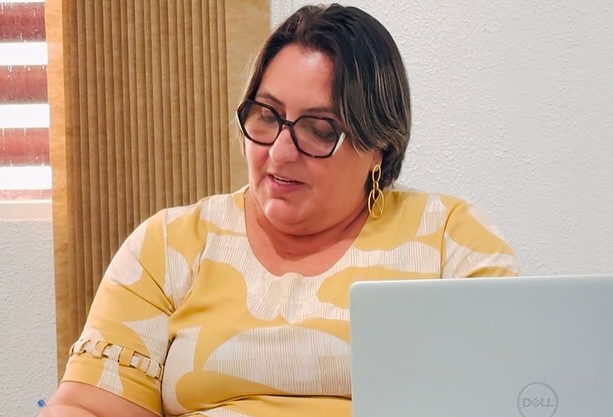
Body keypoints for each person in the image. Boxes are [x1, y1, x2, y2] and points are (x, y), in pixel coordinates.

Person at [41, 4, 519, 417]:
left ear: (378, 145)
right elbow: (88, 406)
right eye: (267, 116)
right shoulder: (169, 246)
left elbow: (509, 397)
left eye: (319, 129)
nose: (280, 152)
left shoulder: (448, 240)